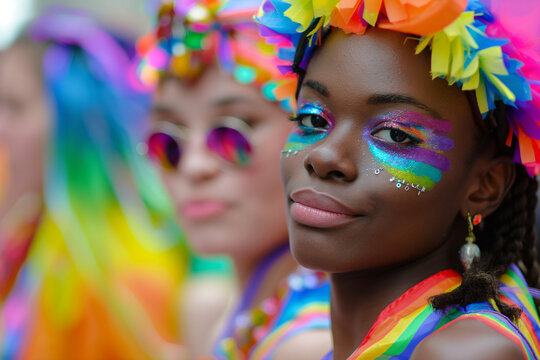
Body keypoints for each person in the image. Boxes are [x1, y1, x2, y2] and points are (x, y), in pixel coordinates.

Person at [257, 0, 540, 359]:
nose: (324, 157)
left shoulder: (465, 352)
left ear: (486, 185)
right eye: (313, 119)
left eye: (394, 135)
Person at [137, 0, 332, 358]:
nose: (194, 166)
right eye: (167, 140)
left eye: (231, 131)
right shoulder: (218, 307)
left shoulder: (308, 343)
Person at [0, 8, 187, 359]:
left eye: (14, 107)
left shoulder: (129, 278)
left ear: (74, 123)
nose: (1, 129)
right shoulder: (27, 236)